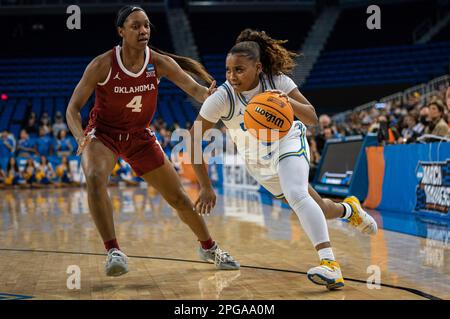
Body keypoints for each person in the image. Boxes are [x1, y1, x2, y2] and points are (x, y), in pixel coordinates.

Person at [189, 29, 377, 290]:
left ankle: (329, 265)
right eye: (228, 70)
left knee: (297, 194)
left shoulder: (277, 81)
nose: (232, 77)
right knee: (318, 208)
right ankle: (349, 210)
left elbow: (311, 117)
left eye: (239, 70)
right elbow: (194, 138)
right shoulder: (222, 97)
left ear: (258, 67)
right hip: (259, 162)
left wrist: (286, 101)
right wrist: (205, 185)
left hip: (288, 142)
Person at [66, 5, 239, 277]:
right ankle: (113, 250)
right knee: (96, 177)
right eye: (135, 26)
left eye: (146, 25)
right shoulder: (102, 64)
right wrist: (80, 136)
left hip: (139, 137)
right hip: (104, 134)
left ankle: (209, 247)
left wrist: (212, 95)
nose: (143, 30)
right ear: (121, 31)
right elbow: (72, 108)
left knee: (179, 198)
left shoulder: (157, 61)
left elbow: (194, 89)